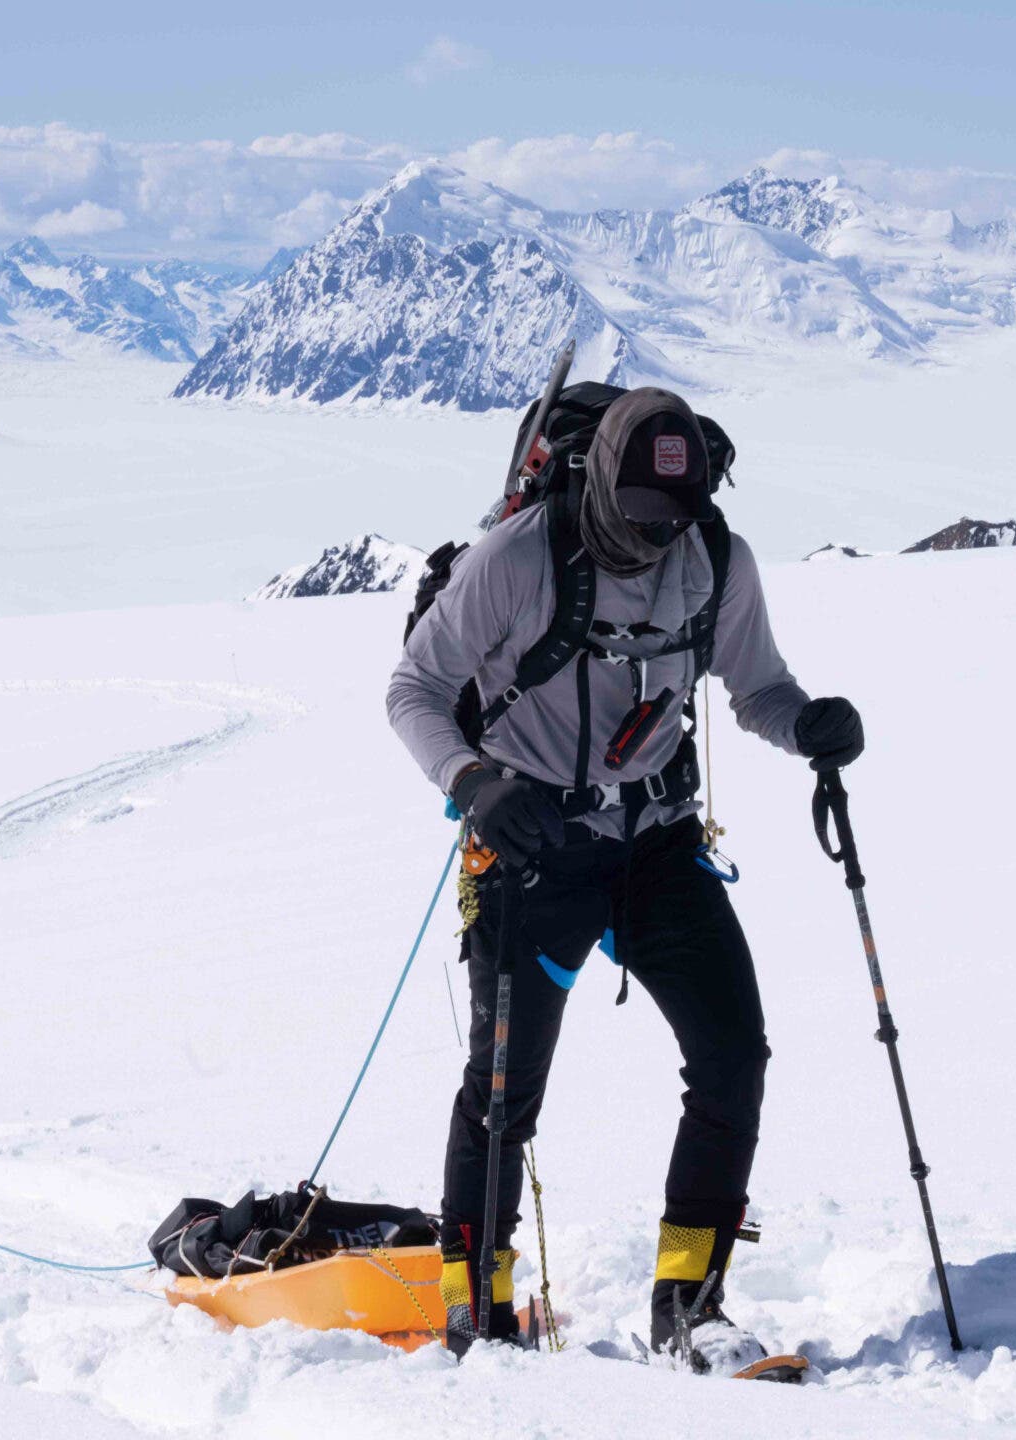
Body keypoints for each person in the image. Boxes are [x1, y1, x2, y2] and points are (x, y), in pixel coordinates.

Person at [387, 387, 864, 1368]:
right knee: (503, 1093)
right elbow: (416, 692)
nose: (659, 536)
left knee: (733, 1058)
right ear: (602, 484)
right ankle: (478, 1311)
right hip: (531, 852)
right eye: (643, 514)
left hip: (657, 845)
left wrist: (807, 723)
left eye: (678, 516)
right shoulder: (516, 560)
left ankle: (689, 1306)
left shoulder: (714, 557)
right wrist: (475, 782)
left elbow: (756, 686)